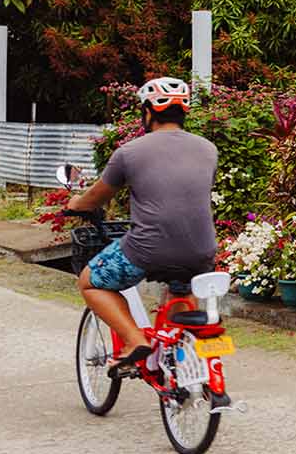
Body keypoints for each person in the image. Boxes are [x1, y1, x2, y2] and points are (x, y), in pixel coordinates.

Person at [66, 76, 218, 378]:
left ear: (148, 112)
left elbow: (96, 197)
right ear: (183, 112)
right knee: (180, 288)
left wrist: (75, 204)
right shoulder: (208, 149)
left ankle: (135, 340)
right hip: (202, 250)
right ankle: (177, 368)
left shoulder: (130, 153)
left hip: (149, 249)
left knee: (89, 281)